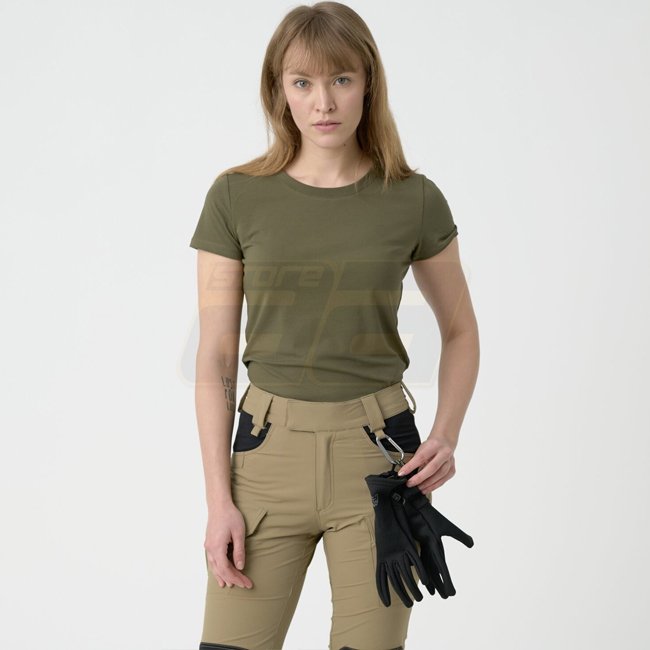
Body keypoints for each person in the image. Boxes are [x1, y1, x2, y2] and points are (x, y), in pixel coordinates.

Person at [188, 2, 480, 649]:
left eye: (341, 79)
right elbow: (215, 358)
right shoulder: (235, 196)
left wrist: (446, 434)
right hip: (265, 458)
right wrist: (218, 500)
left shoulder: (414, 198)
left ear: (368, 84)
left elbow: (461, 331)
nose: (323, 102)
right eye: (303, 82)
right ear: (279, 90)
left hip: (379, 458)